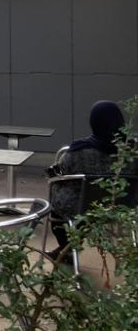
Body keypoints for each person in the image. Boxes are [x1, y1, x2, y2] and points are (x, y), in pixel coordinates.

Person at [46, 100, 131, 261]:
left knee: (58, 202)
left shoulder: (80, 150)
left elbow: (62, 170)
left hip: (80, 209)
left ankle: (67, 249)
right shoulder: (132, 151)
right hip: (122, 208)